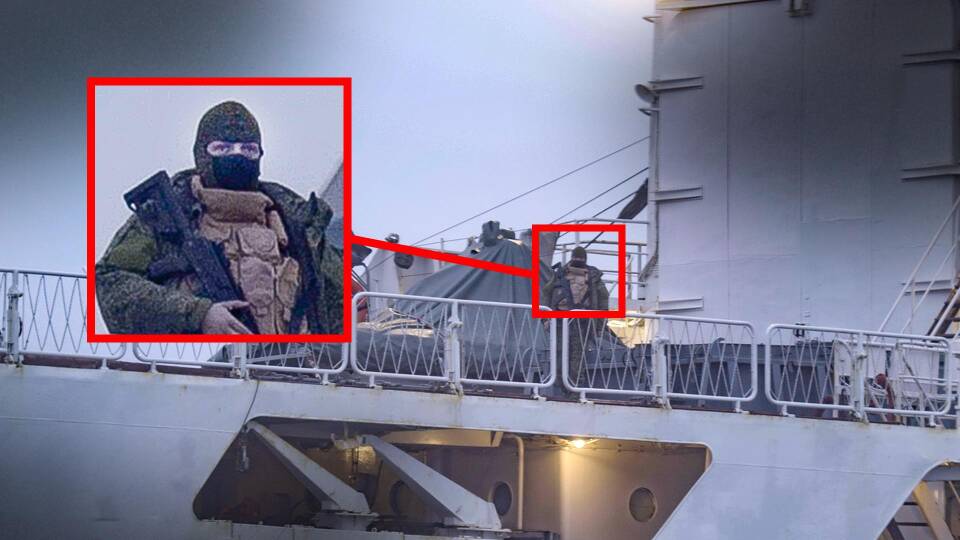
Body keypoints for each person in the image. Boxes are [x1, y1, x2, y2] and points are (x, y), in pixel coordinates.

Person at [96, 101, 343, 335]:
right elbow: (110, 282)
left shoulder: (297, 224)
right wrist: (198, 314)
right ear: (201, 154)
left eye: (249, 149)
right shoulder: (165, 213)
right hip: (198, 360)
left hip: (295, 360)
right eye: (222, 148)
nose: (237, 156)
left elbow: (340, 303)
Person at [546, 246, 610, 396]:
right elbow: (546, 294)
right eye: (577, 258)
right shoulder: (560, 275)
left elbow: (602, 302)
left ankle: (573, 391)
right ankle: (566, 390)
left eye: (580, 258)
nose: (578, 261)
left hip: (583, 323)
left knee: (577, 360)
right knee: (560, 358)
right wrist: (546, 318)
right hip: (561, 322)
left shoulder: (593, 278)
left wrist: (599, 326)